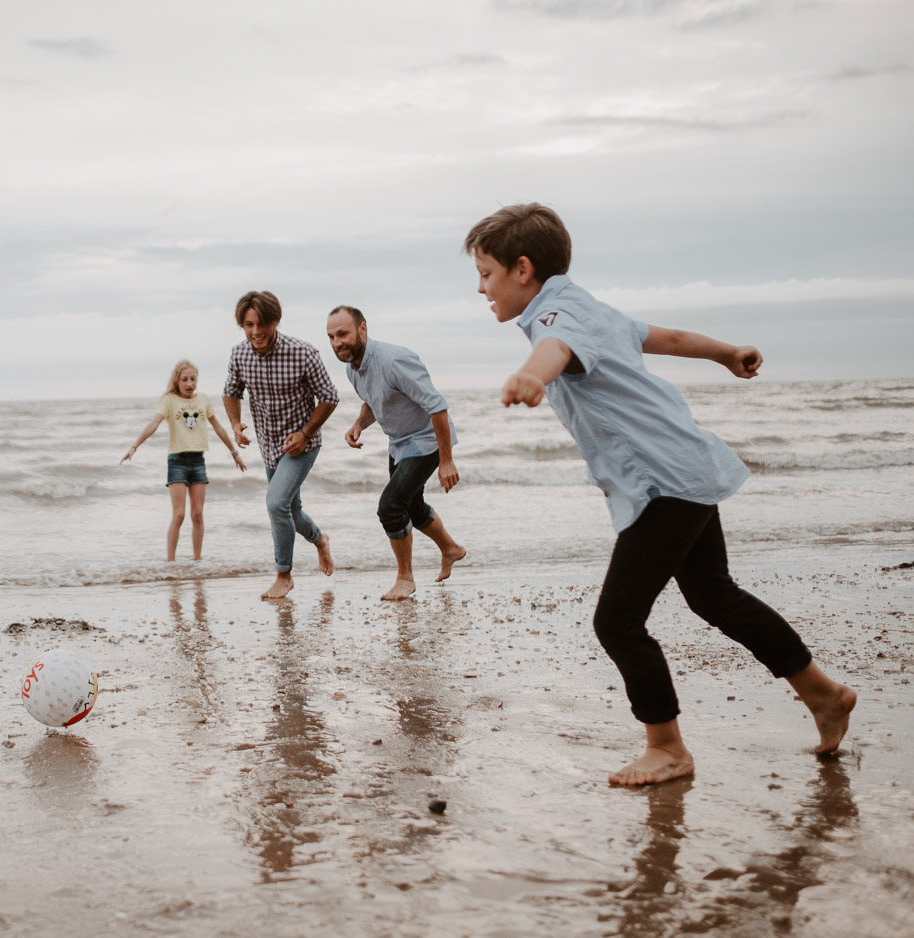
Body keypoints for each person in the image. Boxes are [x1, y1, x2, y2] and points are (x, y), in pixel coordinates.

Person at [464, 202, 856, 786]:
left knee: (617, 622)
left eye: (487, 274)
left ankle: (667, 747)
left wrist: (532, 376)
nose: (481, 288)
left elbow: (555, 352)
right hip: (685, 468)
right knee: (713, 594)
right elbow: (665, 337)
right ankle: (823, 694)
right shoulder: (589, 306)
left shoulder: (555, 318)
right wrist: (725, 352)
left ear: (523, 270)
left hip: (663, 481)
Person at [327, 305, 466, 600]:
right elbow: (374, 403)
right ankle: (451, 549)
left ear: (362, 329)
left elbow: (437, 405)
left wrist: (446, 460)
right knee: (412, 507)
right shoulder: (353, 368)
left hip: (428, 439)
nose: (337, 343)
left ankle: (405, 578)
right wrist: (359, 424)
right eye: (331, 337)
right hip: (400, 443)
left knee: (390, 507)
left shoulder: (394, 361)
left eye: (343, 334)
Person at [223, 291, 339, 599]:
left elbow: (329, 396)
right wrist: (235, 424)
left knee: (276, 504)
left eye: (262, 324)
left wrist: (304, 433)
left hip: (303, 443)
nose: (256, 332)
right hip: (268, 444)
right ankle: (320, 540)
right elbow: (231, 391)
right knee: (289, 509)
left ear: (276, 321)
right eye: (248, 325)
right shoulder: (239, 354)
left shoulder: (303, 353)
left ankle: (283, 575)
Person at [120, 359, 247, 560]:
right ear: (177, 381)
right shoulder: (169, 400)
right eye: (185, 379)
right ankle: (171, 562)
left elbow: (218, 428)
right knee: (178, 515)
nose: (189, 383)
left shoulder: (203, 400)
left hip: (198, 462)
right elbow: (154, 424)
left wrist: (235, 453)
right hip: (177, 462)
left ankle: (197, 560)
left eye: (193, 379)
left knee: (197, 514)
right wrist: (134, 446)